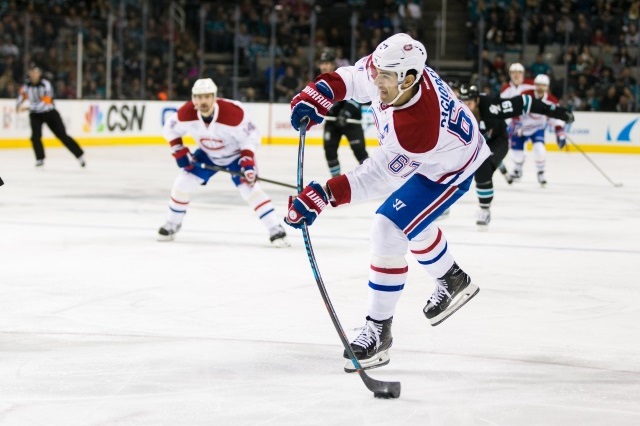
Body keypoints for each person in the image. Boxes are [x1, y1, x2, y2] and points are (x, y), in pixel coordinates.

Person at [286, 33, 490, 372]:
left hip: (449, 168)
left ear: (409, 79)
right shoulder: (395, 69)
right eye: (377, 71)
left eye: (385, 77)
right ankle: (453, 279)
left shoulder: (417, 129)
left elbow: (381, 175)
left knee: (388, 228)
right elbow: (355, 77)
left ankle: (379, 330)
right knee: (410, 221)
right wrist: (322, 90)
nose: (375, 80)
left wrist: (326, 194)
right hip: (439, 152)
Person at [157, 78, 289, 247]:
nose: (202, 101)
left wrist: (247, 162)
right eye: (198, 97)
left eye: (206, 97)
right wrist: (180, 152)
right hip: (207, 154)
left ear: (214, 97)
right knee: (182, 183)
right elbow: (170, 128)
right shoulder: (186, 113)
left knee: (250, 189)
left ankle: (275, 229)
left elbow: (250, 138)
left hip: (236, 156)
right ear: (193, 98)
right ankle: (172, 224)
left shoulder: (233, 113)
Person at [457, 83, 574, 229]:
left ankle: (484, 209)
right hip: (474, 143)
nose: (466, 107)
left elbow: (526, 102)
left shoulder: (492, 107)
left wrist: (559, 112)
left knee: (483, 168)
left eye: (469, 103)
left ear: (477, 100)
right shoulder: (456, 109)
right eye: (463, 103)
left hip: (497, 141)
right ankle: (442, 205)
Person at [16, 64, 86, 167]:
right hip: (35, 115)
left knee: (62, 135)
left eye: (36, 72)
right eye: (32, 72)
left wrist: (28, 108)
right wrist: (18, 106)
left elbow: (46, 102)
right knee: (35, 137)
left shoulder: (46, 84)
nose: (34, 74)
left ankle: (79, 155)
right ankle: (40, 159)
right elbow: (21, 96)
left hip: (49, 113)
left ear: (39, 74)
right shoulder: (26, 86)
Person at [508, 74, 569, 185]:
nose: (540, 87)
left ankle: (541, 173)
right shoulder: (526, 95)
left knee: (540, 149)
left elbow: (555, 117)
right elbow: (515, 107)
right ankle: (517, 168)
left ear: (547, 87)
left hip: (537, 128)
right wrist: (515, 121)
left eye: (543, 85)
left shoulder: (551, 100)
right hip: (521, 127)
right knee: (516, 153)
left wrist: (560, 132)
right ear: (535, 85)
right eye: (538, 85)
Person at [318, 49, 369, 177]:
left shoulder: (343, 75)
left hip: (350, 120)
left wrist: (346, 112)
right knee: (329, 150)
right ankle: (336, 180)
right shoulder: (319, 81)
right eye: (322, 63)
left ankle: (370, 176)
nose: (324, 66)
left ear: (333, 64)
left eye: (327, 63)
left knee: (359, 150)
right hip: (332, 121)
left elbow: (357, 97)